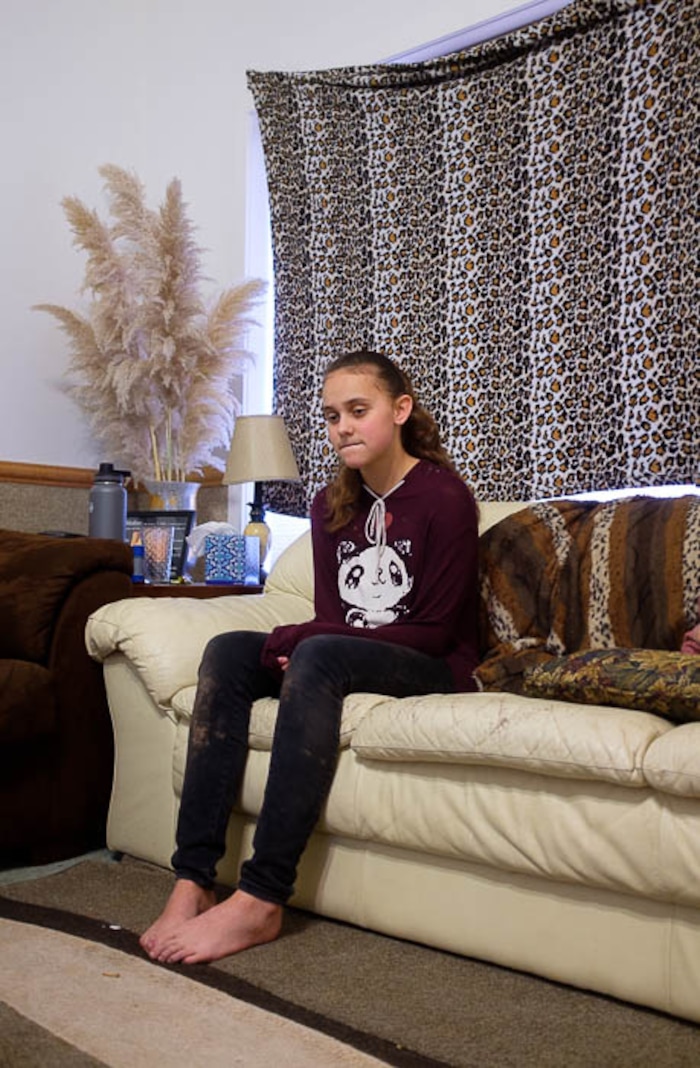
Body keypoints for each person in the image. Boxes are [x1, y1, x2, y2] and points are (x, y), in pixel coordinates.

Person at [140, 349, 480, 965]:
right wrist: (302, 641)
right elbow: (332, 616)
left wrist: (308, 643)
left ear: (400, 411)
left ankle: (263, 897)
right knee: (229, 651)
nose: (343, 427)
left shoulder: (445, 498)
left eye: (358, 410)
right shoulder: (331, 505)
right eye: (331, 416)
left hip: (434, 666)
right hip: (345, 652)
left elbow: (433, 632)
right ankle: (193, 879)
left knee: (317, 651)